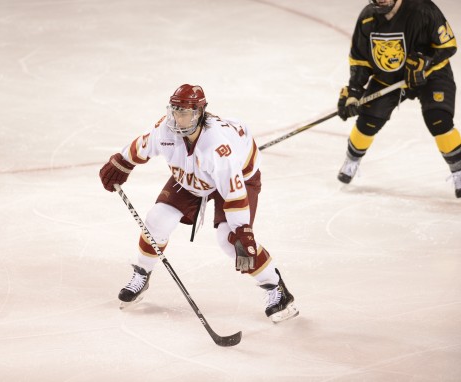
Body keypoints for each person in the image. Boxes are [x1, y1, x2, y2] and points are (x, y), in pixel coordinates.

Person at [98, 84, 299, 322]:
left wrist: (242, 231)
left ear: (200, 113)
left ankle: (276, 288)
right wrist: (122, 162)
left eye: (184, 112)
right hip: (193, 178)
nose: (177, 117)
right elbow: (141, 145)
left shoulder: (218, 149)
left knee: (230, 240)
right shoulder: (166, 130)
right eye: (174, 110)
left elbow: (234, 193)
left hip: (238, 179)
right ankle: (142, 273)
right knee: (157, 220)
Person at [337, 0, 461, 198]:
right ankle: (352, 160)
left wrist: (426, 60)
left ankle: (459, 170)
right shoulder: (367, 18)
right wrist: (353, 93)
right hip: (388, 79)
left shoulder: (423, 9)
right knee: (368, 121)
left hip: (431, 75)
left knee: (439, 120)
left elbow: (448, 45)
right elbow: (360, 60)